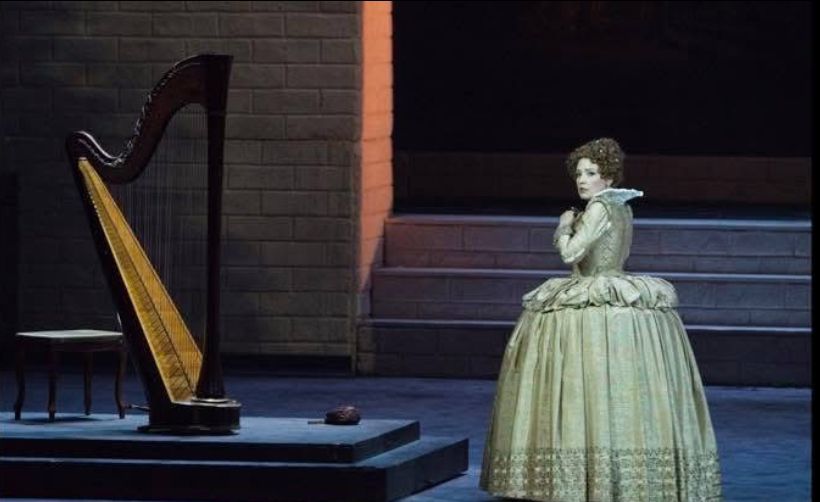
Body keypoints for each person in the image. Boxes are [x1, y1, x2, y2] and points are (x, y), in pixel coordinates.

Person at [479, 138, 722, 501]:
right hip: (616, 288)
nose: (582, 180)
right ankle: (625, 476)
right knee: (615, 386)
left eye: (591, 173)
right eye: (579, 173)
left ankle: (583, 478)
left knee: (584, 383)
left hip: (593, 294)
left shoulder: (598, 208)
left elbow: (571, 254)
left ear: (608, 177)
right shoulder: (622, 207)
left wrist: (563, 226)